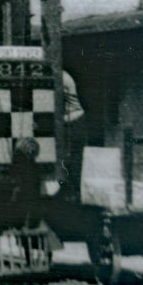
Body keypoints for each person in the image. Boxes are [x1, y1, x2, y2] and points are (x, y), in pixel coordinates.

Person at [61, 70, 85, 199]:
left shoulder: (62, 77)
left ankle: (74, 193)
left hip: (73, 120)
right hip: (73, 119)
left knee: (71, 158)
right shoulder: (64, 75)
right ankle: (72, 192)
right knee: (71, 157)